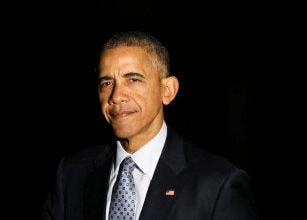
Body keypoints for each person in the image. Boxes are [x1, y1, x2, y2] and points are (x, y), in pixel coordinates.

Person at [42, 30, 258, 220]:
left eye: (133, 79)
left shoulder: (217, 185)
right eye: (107, 83)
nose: (116, 96)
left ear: (167, 90)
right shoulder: (71, 175)